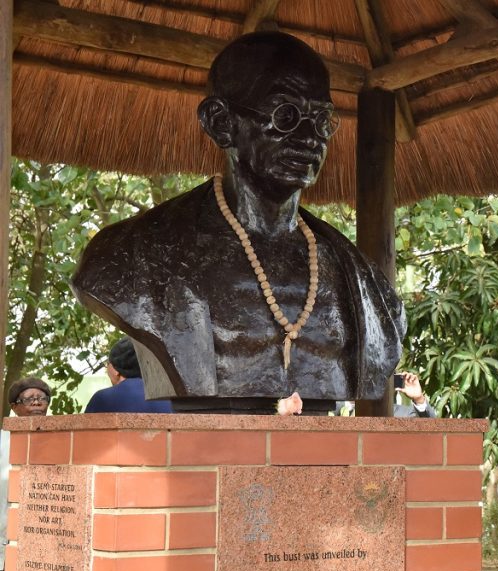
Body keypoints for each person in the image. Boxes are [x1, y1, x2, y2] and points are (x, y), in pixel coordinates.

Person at [72, 31, 405, 414]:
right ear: (221, 122)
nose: (311, 138)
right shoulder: (132, 254)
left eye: (322, 119)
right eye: (287, 116)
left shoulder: (362, 281)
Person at [84, 337, 174, 413]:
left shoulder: (102, 399)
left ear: (116, 370)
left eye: (108, 364)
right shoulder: (169, 398)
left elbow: (84, 433)